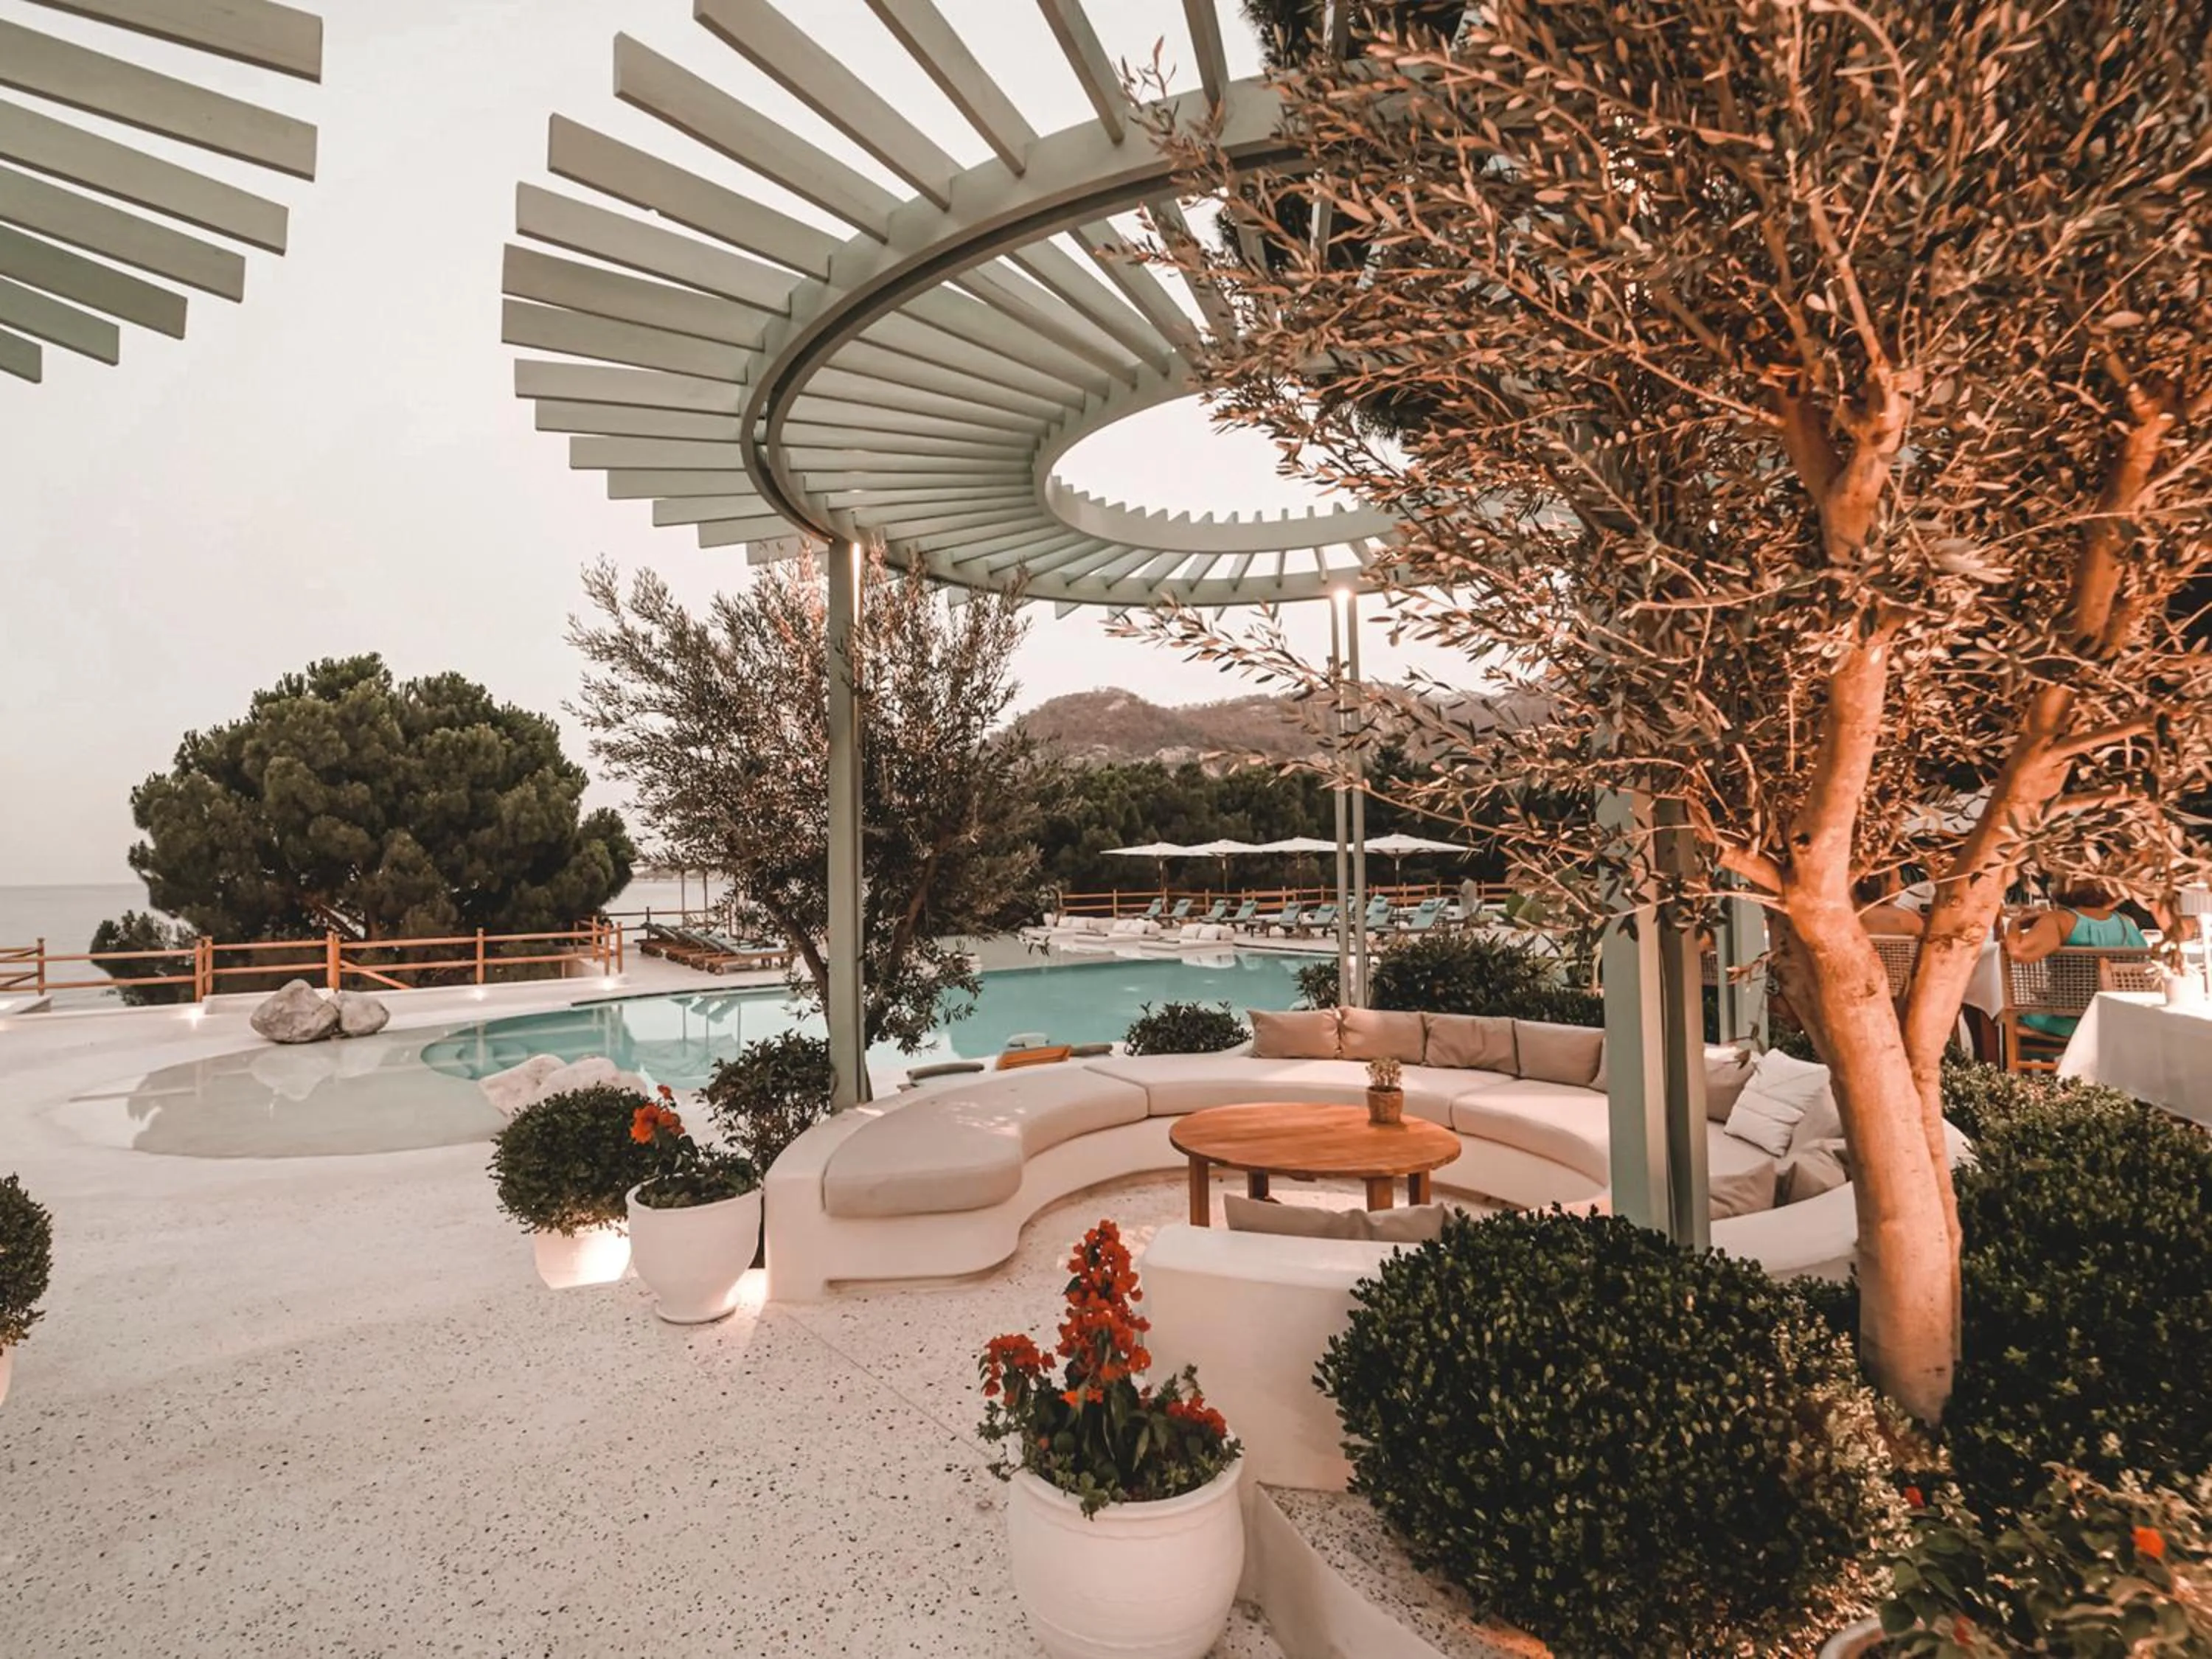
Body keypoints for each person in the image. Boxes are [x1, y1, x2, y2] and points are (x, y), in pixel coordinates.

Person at [2005, 880, 2148, 1037]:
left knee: (2015, 1014)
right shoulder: (2127, 923)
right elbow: (2144, 968)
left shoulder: (2059, 920)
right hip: (2120, 1020)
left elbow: (2018, 952)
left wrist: (2015, 924)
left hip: (2068, 1023)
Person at [1854, 872, 1925, 937]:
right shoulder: (1908, 921)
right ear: (1883, 884)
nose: (1902, 885)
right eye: (1897, 880)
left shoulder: (1853, 918)